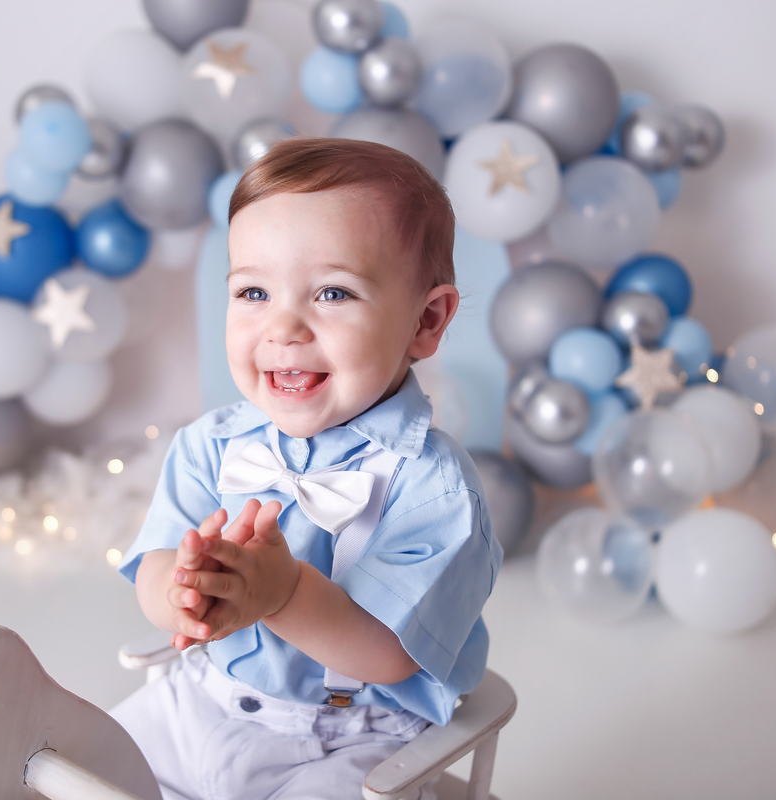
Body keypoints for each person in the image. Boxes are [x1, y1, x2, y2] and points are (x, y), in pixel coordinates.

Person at [112, 138, 503, 800]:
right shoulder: (212, 444)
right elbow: (155, 563)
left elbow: (389, 653)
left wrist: (285, 594)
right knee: (72, 763)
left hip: (352, 737)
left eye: (332, 292)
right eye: (254, 291)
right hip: (203, 699)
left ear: (425, 320)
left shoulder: (432, 487)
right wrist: (181, 594)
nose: (283, 327)